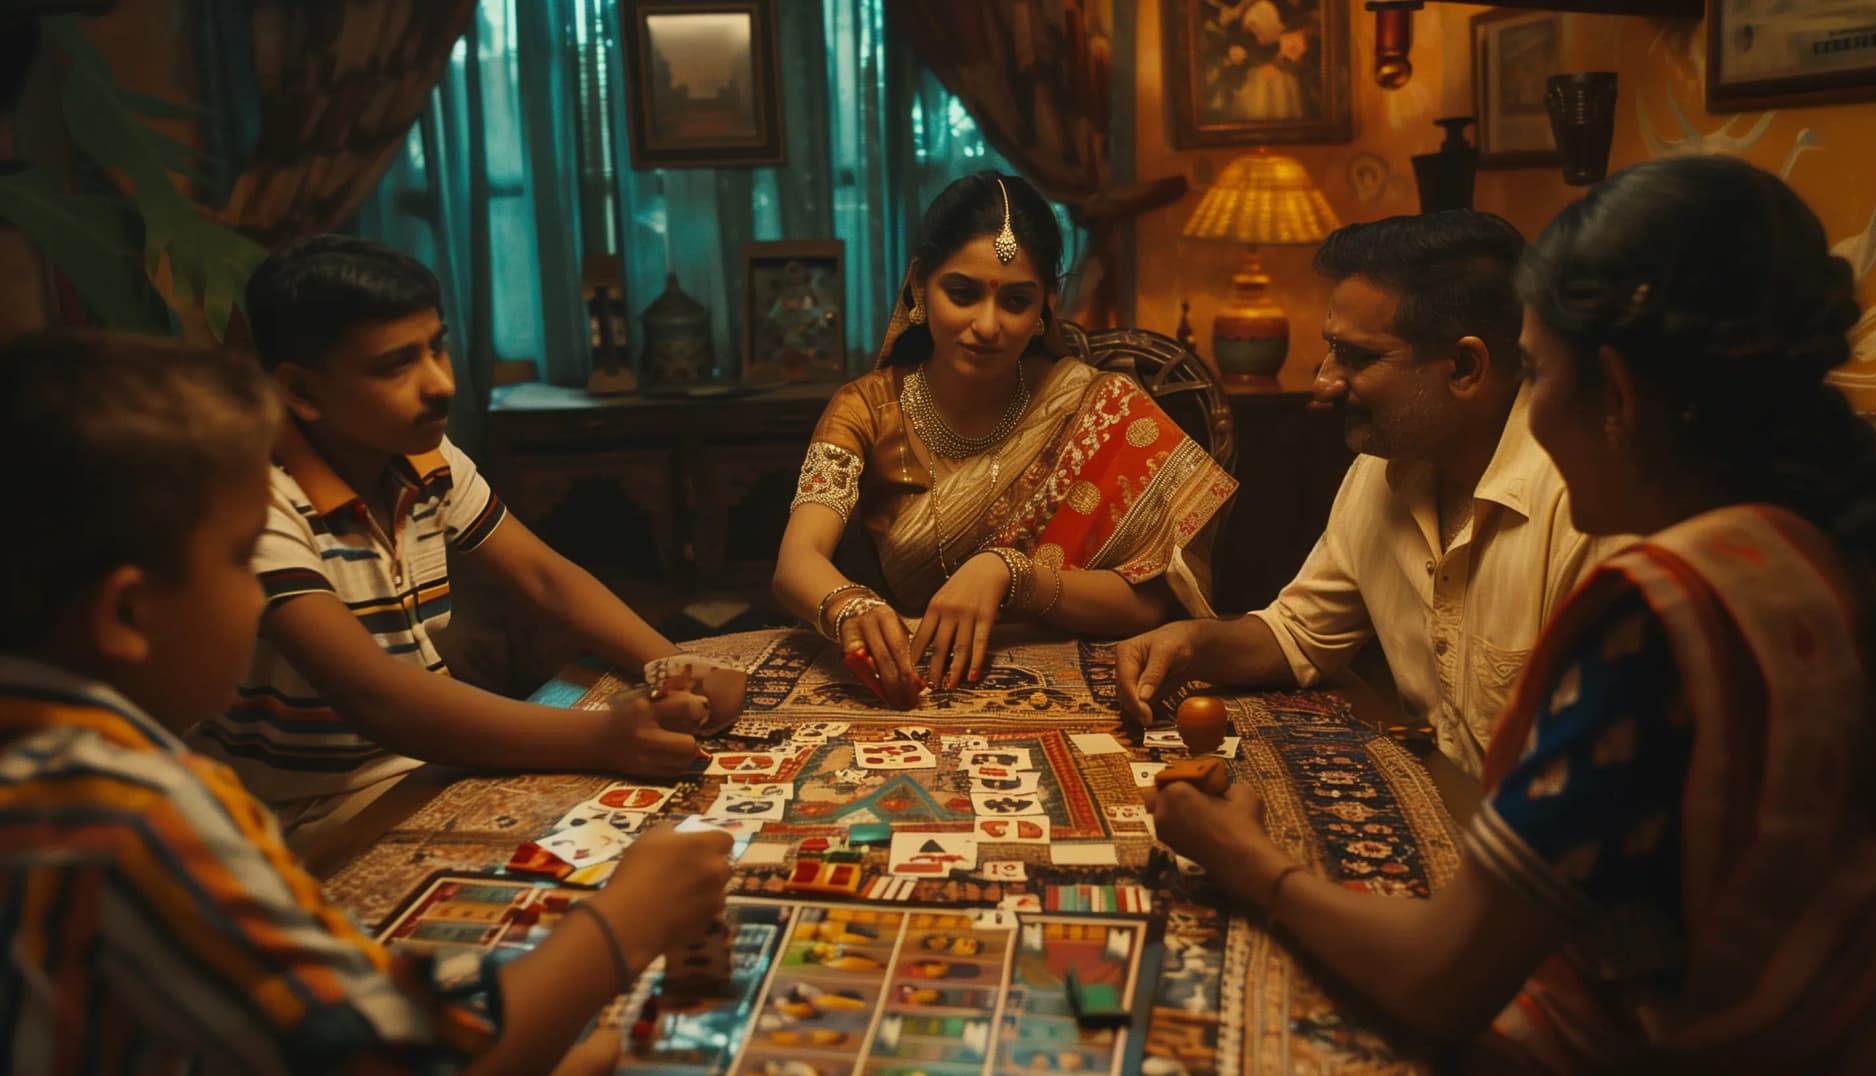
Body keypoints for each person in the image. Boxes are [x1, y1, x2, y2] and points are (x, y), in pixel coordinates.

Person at [1149, 156, 1876, 1071]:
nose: (1535, 418)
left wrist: (1249, 865)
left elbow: (1442, 979)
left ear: (1620, 399)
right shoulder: (1834, 551)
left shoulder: (1661, 613)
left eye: (1541, 376)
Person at [0, 331, 735, 1075]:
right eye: (237, 559)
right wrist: (626, 924)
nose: (259, 596)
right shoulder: (136, 813)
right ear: (127, 617)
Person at [188, 236, 731, 850]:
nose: (441, 383)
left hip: (424, 767)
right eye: (397, 364)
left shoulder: (425, 456)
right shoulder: (257, 501)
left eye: (437, 347)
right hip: (298, 810)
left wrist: (674, 668)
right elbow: (379, 699)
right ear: (302, 392)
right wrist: (605, 737)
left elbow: (544, 578)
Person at [1116, 210, 1625, 775]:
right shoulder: (1383, 465)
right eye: (1330, 349)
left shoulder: (1588, 504)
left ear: (1463, 367)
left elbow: (1602, 779)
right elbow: (1303, 635)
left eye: (1358, 357)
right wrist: (1190, 643)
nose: (1323, 382)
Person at [774, 172, 1236, 707]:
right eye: (963, 294)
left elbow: (1149, 603)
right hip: (915, 685)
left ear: (1047, 305)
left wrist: (1012, 574)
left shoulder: (1097, 406)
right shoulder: (866, 409)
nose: (987, 325)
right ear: (921, 286)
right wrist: (850, 606)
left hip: (1073, 688)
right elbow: (796, 560)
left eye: (1016, 301)